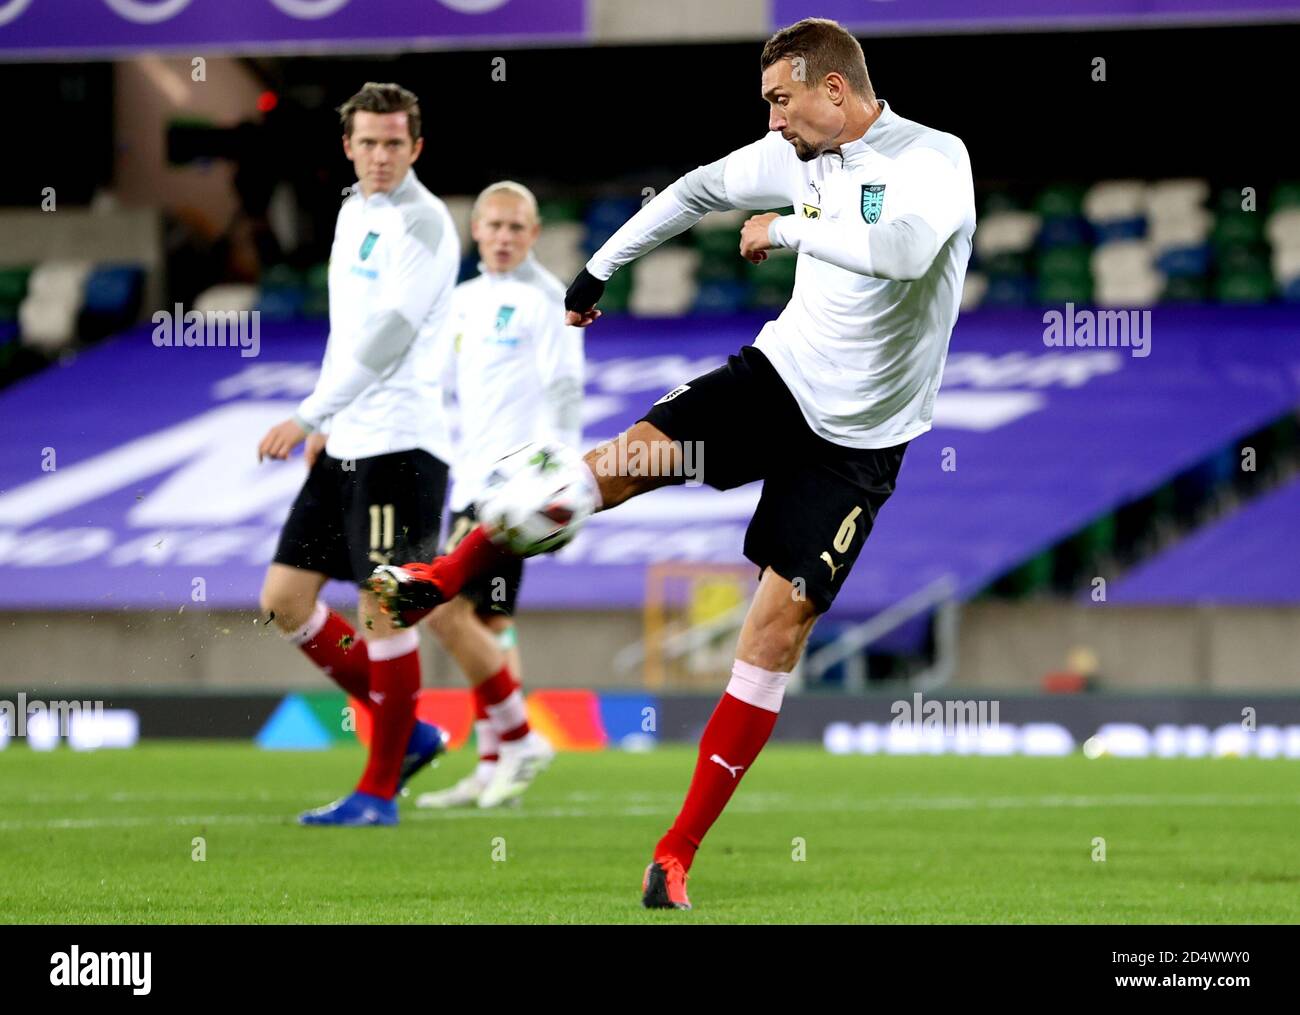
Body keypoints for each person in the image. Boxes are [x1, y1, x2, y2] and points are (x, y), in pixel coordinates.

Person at [369, 17, 975, 905]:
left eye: (780, 99)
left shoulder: (933, 160)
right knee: (622, 462)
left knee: (774, 634)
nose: (772, 122)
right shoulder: (793, 155)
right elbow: (693, 191)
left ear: (833, 90)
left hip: (859, 443)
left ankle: (674, 851)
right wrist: (600, 271)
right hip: (777, 379)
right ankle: (442, 574)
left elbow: (906, 251)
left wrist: (792, 228)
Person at [256, 82, 460, 826]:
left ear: (416, 148)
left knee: (384, 611)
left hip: (402, 445)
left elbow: (389, 337)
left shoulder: (428, 225)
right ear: (348, 146)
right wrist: (324, 426)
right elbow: (348, 331)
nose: (380, 156)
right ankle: (412, 732)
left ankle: (378, 792)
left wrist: (309, 409)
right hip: (345, 442)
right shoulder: (352, 210)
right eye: (368, 142)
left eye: (394, 143)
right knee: (284, 598)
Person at [417, 181, 584, 810]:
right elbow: (443, 393)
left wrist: (558, 482)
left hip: (514, 489)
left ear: (535, 233)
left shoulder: (551, 301)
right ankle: (497, 765)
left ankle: (517, 740)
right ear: (477, 232)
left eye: (518, 227)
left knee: (439, 605)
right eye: (495, 226)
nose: (506, 237)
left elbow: (566, 390)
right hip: (467, 481)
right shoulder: (461, 303)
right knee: (487, 622)